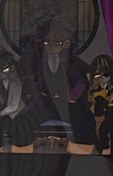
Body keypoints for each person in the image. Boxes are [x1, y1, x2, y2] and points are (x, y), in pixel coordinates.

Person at [9, 19, 96, 154]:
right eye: (47, 43)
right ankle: (23, 152)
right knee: (22, 121)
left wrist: (72, 97)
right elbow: (30, 81)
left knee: (84, 120)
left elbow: (81, 83)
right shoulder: (36, 62)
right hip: (45, 101)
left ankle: (79, 153)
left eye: (57, 43)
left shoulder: (72, 62)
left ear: (66, 44)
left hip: (67, 103)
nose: (51, 47)